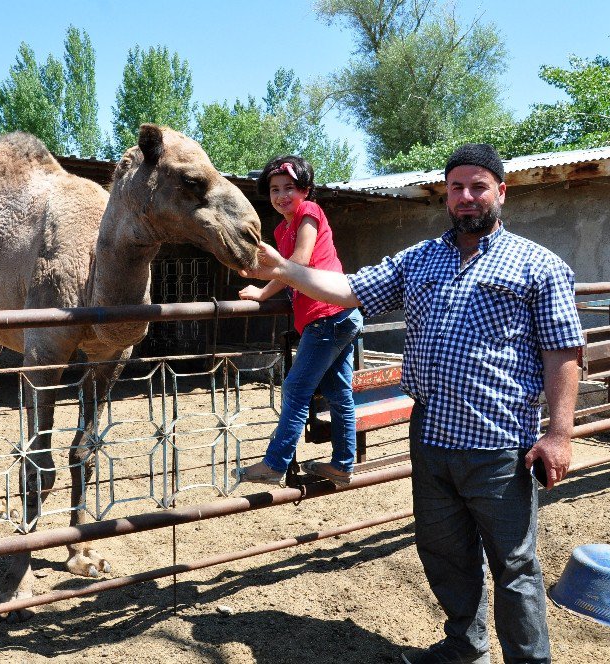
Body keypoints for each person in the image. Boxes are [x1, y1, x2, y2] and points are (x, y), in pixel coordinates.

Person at [240, 144, 583, 664]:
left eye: (477, 187)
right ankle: (464, 650)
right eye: (456, 188)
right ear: (445, 194)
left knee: (514, 567)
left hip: (500, 444)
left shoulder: (540, 265)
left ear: (500, 193)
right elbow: (349, 289)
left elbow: (564, 349)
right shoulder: (419, 259)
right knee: (445, 554)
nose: (466, 198)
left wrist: (559, 433)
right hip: (430, 437)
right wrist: (286, 271)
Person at [233, 155, 364, 487]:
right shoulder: (282, 227)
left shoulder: (309, 212)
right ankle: (343, 465)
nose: (281, 196)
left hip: (327, 315)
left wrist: (264, 286)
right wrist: (265, 290)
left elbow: (299, 261)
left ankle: (275, 464)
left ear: (305, 189)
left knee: (295, 388)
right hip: (339, 315)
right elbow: (288, 269)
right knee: (337, 392)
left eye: (289, 188)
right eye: (274, 189)